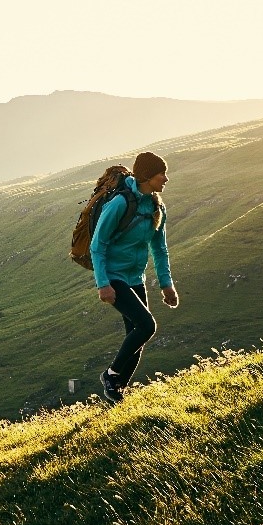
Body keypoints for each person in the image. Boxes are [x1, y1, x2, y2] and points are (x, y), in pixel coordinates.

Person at [90, 151, 179, 403]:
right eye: (162, 173)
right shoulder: (120, 203)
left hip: (135, 278)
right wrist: (103, 284)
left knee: (137, 337)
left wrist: (167, 285)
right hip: (114, 276)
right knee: (147, 325)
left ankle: (116, 392)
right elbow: (98, 244)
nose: (166, 178)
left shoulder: (156, 206)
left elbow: (159, 248)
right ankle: (111, 375)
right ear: (148, 175)